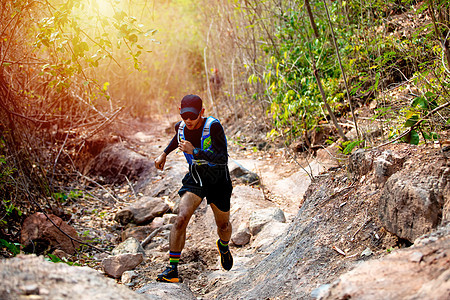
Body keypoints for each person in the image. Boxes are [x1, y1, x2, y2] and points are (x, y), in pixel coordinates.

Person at [154, 94, 233, 283]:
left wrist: (195, 151)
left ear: (202, 113)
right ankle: (172, 270)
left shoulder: (213, 126)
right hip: (196, 177)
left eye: (193, 116)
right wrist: (164, 153)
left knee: (223, 225)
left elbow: (223, 158)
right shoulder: (181, 126)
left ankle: (223, 246)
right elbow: (177, 138)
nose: (188, 120)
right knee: (181, 218)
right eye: (184, 116)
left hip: (218, 179)